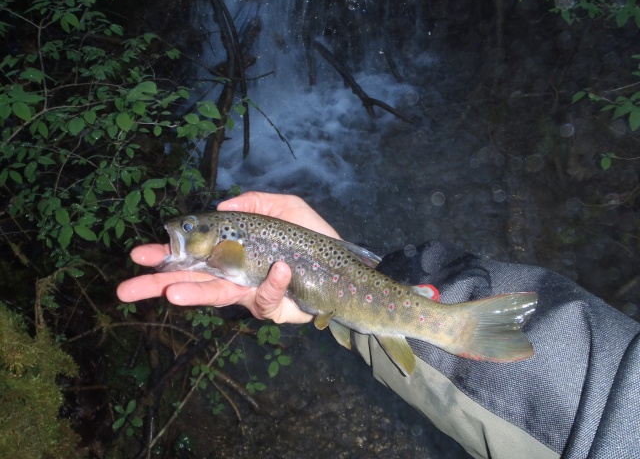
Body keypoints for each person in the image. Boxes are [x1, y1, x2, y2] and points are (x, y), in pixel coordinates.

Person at [117, 191, 640, 459]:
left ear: (220, 233)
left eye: (189, 229)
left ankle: (448, 324)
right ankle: (441, 323)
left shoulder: (226, 241)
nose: (180, 233)